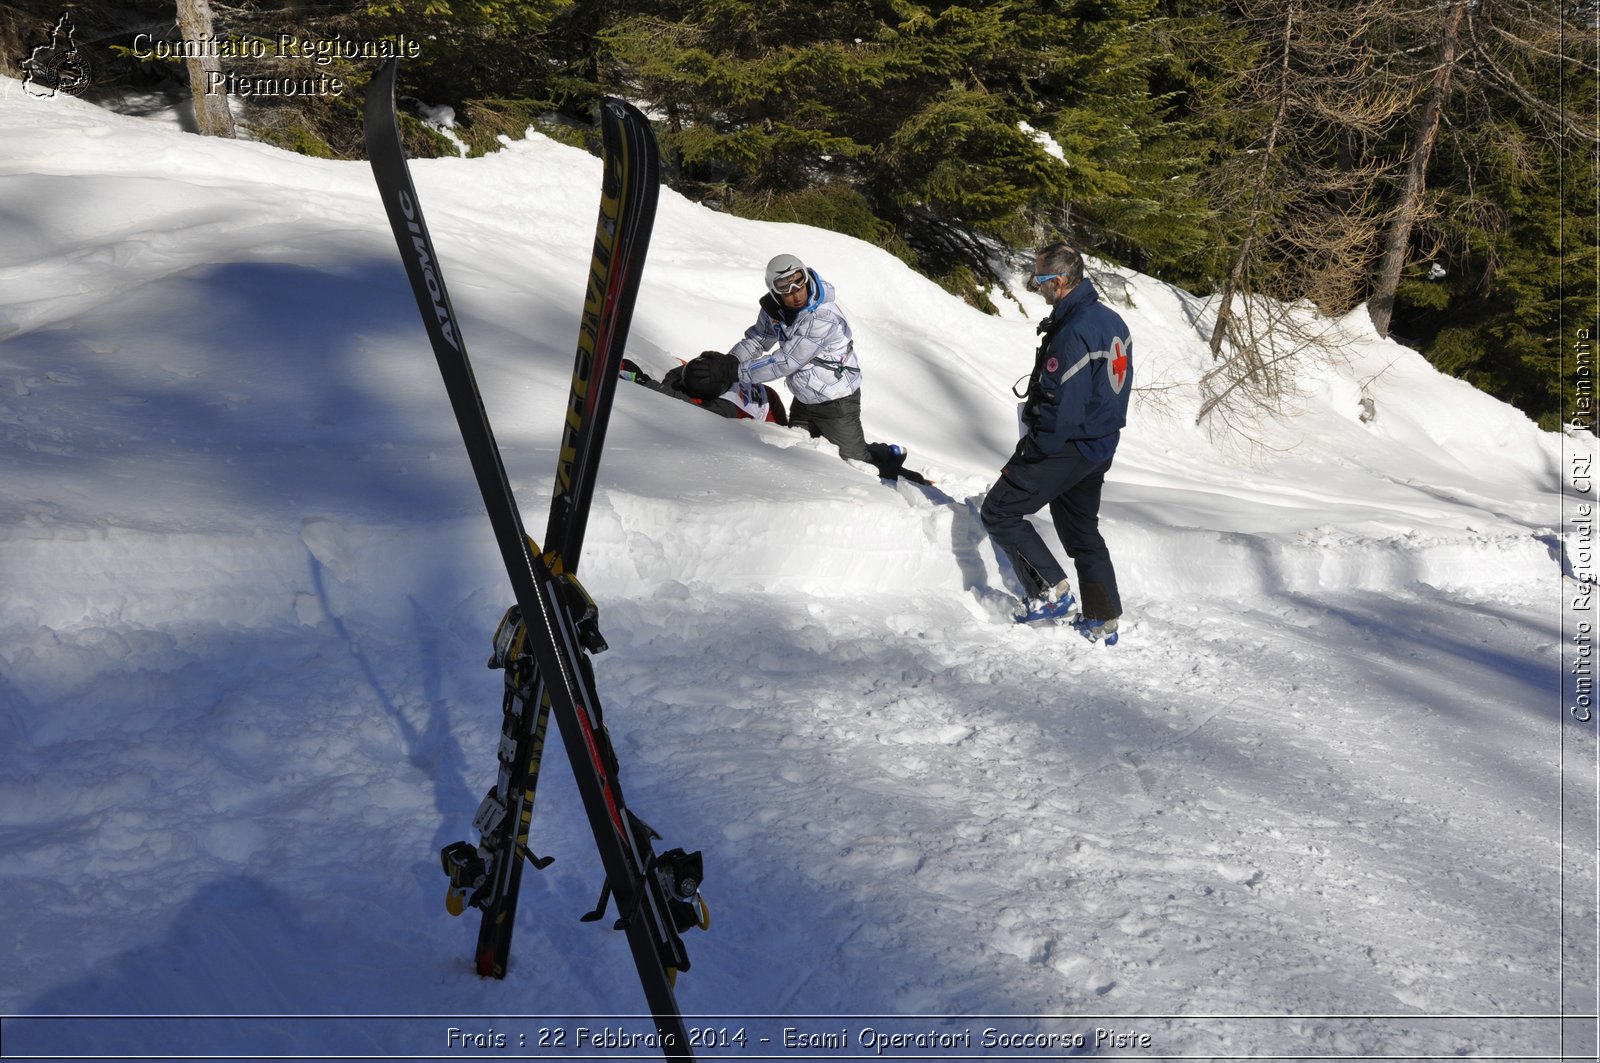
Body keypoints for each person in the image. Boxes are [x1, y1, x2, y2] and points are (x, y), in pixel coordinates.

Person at [980, 242, 1131, 643]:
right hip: (1098, 446)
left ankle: (1049, 592)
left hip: (1065, 445)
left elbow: (1063, 403)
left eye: (1040, 279)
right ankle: (1102, 616)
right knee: (1082, 533)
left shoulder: (1074, 330)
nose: (1036, 286)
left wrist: (1035, 449)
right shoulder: (1110, 320)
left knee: (999, 511)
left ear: (1061, 282)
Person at [686, 254, 869, 462]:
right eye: (785, 289)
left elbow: (785, 363)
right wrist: (731, 361)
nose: (796, 295)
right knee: (801, 453)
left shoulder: (822, 317)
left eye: (799, 285)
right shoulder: (776, 310)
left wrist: (731, 372)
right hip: (803, 398)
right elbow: (758, 340)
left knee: (855, 464)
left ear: (806, 279)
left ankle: (892, 467)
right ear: (775, 291)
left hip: (837, 402)